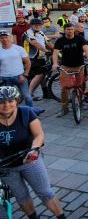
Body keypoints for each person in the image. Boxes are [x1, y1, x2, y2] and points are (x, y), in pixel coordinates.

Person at [0, 87, 66, 219]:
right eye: (1, 102)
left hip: (29, 160)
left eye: (10, 100)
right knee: (21, 196)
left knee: (45, 192)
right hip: (5, 167)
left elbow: (39, 135)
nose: (6, 105)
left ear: (17, 100)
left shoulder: (26, 112)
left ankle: (61, 217)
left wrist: (34, 149)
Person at [52, 23, 88, 117]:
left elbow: (86, 49)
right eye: (68, 29)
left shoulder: (80, 39)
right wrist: (54, 63)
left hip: (79, 65)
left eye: (71, 29)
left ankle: (81, 102)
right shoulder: (60, 40)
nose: (70, 31)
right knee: (64, 87)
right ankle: (64, 108)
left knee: (80, 85)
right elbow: (55, 53)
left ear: (74, 30)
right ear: (64, 30)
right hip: (66, 66)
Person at [22, 18, 53, 100]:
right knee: (39, 74)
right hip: (31, 58)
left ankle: (45, 93)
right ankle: (29, 95)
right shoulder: (28, 32)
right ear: (31, 25)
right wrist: (46, 51)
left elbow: (49, 43)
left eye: (39, 25)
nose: (38, 26)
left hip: (41, 58)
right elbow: (35, 43)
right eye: (36, 25)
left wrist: (57, 51)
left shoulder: (41, 33)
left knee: (43, 76)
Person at [0, 31, 33, 107]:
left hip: (20, 76)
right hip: (5, 78)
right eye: (2, 38)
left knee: (27, 96)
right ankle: (13, 114)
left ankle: (32, 113)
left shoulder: (18, 48)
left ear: (10, 38)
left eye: (6, 37)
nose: (4, 39)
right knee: (8, 98)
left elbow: (28, 62)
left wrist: (25, 75)